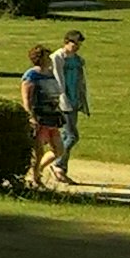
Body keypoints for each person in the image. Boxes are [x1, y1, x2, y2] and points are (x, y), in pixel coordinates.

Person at [19, 45, 62, 189]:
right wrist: (30, 116)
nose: (49, 59)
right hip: (39, 118)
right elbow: (26, 98)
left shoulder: (50, 74)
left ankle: (38, 171)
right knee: (39, 152)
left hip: (52, 117)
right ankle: (35, 177)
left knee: (59, 150)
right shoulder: (31, 75)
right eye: (46, 56)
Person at [50, 31, 89, 184]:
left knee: (66, 136)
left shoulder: (77, 60)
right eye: (74, 43)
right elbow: (57, 79)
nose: (77, 46)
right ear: (66, 41)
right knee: (72, 136)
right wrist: (61, 99)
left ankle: (60, 169)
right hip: (63, 102)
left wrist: (81, 100)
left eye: (79, 44)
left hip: (74, 101)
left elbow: (81, 81)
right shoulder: (58, 57)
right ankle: (57, 163)